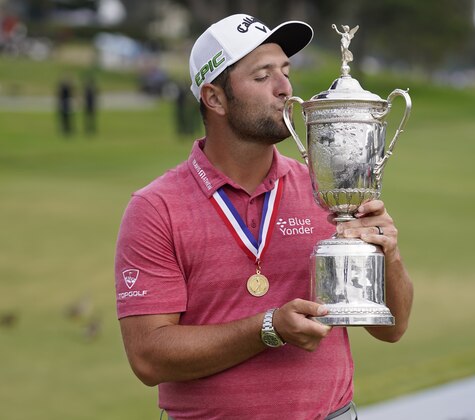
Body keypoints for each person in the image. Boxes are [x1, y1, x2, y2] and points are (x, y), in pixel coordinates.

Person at [114, 13, 413, 420]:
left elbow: (391, 328)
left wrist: (388, 257)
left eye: (285, 71)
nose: (285, 88)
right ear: (214, 98)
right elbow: (149, 357)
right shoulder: (156, 208)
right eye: (262, 76)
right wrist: (268, 327)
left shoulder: (324, 189)